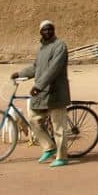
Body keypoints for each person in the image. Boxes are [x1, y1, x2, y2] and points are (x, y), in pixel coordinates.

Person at [10, 20, 71, 168]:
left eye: (50, 29)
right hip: (43, 94)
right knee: (33, 119)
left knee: (58, 127)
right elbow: (36, 68)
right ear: (40, 32)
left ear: (54, 30)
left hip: (56, 92)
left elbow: (54, 69)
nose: (48, 32)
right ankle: (49, 147)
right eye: (44, 30)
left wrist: (38, 86)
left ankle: (62, 157)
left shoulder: (60, 46)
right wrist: (20, 73)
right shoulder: (41, 49)